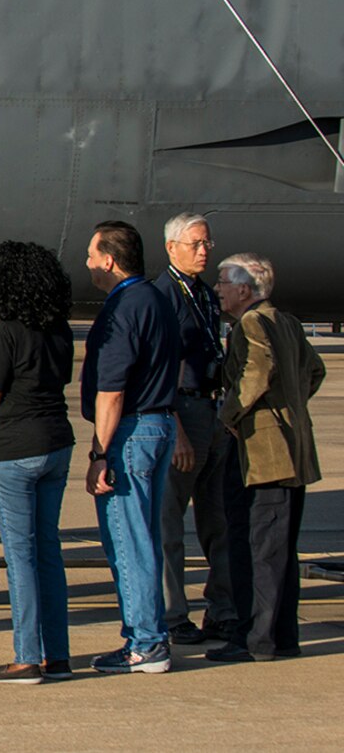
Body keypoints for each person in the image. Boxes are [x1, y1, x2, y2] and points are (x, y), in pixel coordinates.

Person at [0, 241, 77, 683]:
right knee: (48, 551)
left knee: (20, 556)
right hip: (56, 440)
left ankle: (26, 655)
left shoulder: (7, 330)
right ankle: (59, 654)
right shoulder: (61, 329)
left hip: (15, 446)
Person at [208, 254, 325, 663]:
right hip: (292, 454)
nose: (217, 287)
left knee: (256, 550)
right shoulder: (288, 321)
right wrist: (287, 410)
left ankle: (254, 639)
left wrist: (230, 416)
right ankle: (282, 636)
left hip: (263, 458)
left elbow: (258, 370)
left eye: (223, 281)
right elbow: (315, 371)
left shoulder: (253, 323)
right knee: (280, 552)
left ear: (245, 289)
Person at [81, 220, 180, 675]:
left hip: (132, 430)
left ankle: (145, 641)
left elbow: (112, 389)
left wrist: (100, 452)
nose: (87, 264)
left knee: (127, 540)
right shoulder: (158, 300)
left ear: (110, 260)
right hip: (159, 423)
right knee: (145, 537)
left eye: (91, 255)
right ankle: (148, 634)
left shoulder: (123, 308)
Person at [156, 213, 236, 647]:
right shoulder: (161, 296)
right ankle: (172, 614)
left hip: (212, 410)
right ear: (172, 247)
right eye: (196, 244)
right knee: (170, 522)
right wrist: (176, 429)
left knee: (218, 518)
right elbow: (158, 367)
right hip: (181, 412)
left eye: (207, 243)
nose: (204, 250)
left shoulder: (204, 294)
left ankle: (221, 609)